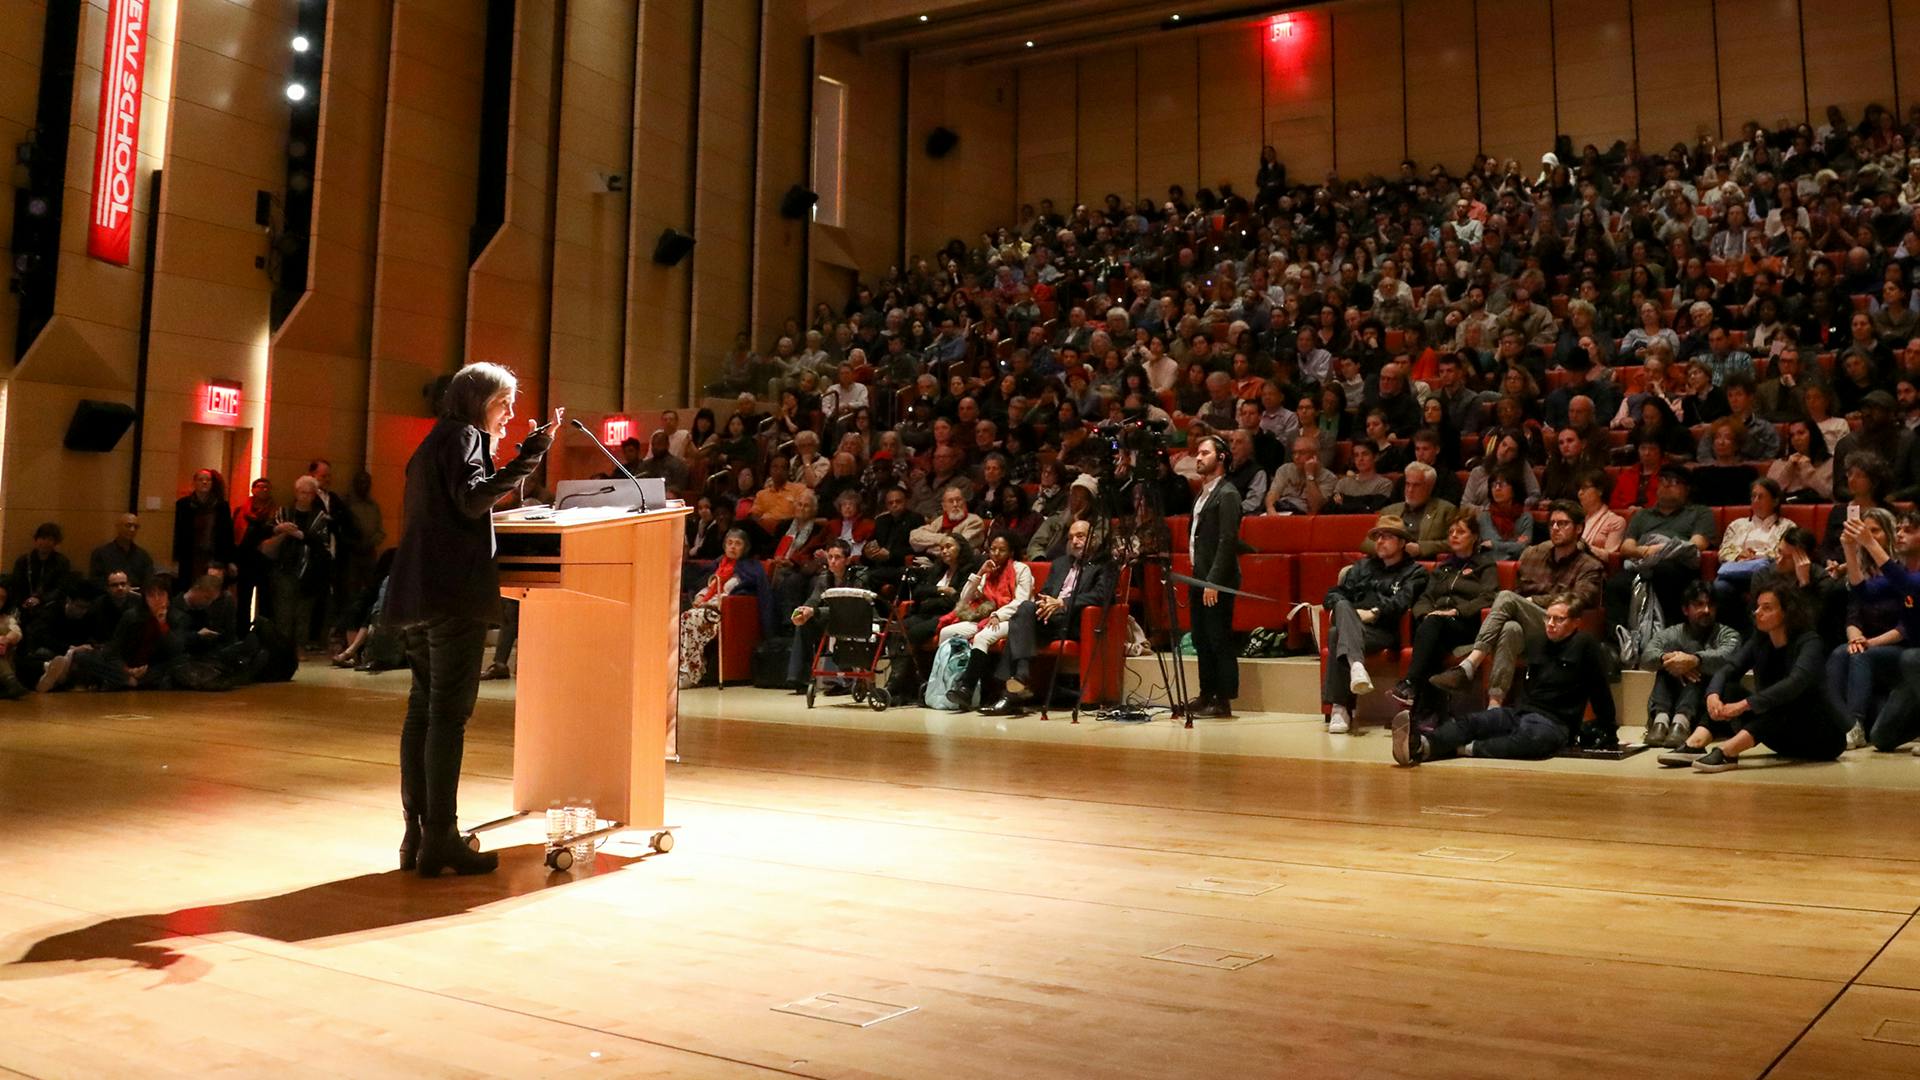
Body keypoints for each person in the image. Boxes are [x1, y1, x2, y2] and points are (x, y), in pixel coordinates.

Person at [382, 362, 554, 878]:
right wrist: (529, 457)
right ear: (479, 402)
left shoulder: (432, 442)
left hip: (416, 592)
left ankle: (417, 836)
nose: (510, 414)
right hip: (451, 593)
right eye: (504, 403)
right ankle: (441, 838)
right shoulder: (466, 437)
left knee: (422, 712)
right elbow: (472, 499)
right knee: (447, 716)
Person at [1395, 593, 1614, 765]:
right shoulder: (1539, 641)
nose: (1550, 623)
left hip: (1554, 722)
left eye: (1559, 619)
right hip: (1521, 712)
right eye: (1548, 617)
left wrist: (1608, 729)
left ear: (1576, 623)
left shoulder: (1585, 645)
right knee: (1472, 721)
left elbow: (1600, 690)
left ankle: (1464, 749)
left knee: (1533, 740)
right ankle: (1421, 745)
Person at [1430, 501, 1606, 707]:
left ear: (1579, 528)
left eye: (1563, 524)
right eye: (1552, 523)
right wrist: (1524, 602)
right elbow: (1520, 591)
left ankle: (1470, 664)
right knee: (1509, 629)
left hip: (1562, 627)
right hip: (1529, 628)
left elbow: (1581, 598)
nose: (1556, 528)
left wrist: (1534, 601)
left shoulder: (1589, 565)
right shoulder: (1534, 556)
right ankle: (1495, 705)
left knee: (1505, 597)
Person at [1657, 581, 1847, 772]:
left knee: (1786, 699)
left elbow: (1795, 683)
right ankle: (1696, 744)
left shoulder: (1809, 642)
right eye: (1757, 607)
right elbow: (1728, 669)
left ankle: (1728, 752)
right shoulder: (1760, 640)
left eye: (1767, 608)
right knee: (1728, 689)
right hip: (1780, 735)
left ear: (1787, 612)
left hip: (1821, 738)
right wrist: (1713, 695)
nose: (1757, 612)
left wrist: (1743, 705)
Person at [982, 518, 1115, 716]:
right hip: (1047, 619)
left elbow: (1103, 595)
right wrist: (1044, 603)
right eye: (1071, 537)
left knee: (1020, 622)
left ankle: (1012, 690)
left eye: (1080, 536)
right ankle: (1018, 681)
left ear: (1093, 538)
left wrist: (1062, 603)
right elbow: (1045, 592)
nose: (1075, 541)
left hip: (1074, 620)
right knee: (1026, 608)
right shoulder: (1060, 563)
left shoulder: (1105, 565)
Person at [1321, 514, 1430, 735]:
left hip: (1384, 631)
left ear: (1402, 542)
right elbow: (1333, 594)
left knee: (1336, 634)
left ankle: (1340, 708)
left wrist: (1373, 613)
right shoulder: (1363, 566)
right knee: (1340, 608)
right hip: (1355, 627)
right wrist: (1348, 613)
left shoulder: (1415, 572)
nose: (1380, 541)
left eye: (1387, 537)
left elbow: (1402, 602)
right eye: (1378, 536)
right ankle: (1355, 669)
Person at [1390, 512, 1499, 718]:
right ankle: (1431, 715)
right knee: (1434, 644)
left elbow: (1489, 597)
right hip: (1437, 625)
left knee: (1432, 630)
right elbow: (1425, 598)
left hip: (1466, 623)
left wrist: (1456, 611)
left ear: (1474, 536)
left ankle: (1411, 684)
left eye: (1460, 532)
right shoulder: (1444, 567)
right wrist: (1426, 615)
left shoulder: (1485, 565)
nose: (1454, 536)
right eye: (1451, 532)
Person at [1827, 509, 1912, 749]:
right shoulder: (1864, 570)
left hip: (1901, 648)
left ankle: (1856, 725)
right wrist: (1856, 638)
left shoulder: (1904, 569)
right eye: (1866, 530)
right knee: (1840, 653)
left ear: (1889, 534)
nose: (1868, 535)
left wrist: (1870, 643)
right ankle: (1838, 722)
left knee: (1860, 655)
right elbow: (1855, 610)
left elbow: (1906, 627)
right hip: (1868, 645)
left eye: (1875, 531)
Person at [1605, 466, 1716, 631]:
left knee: (1664, 571)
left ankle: (1667, 634)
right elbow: (1626, 547)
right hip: (1644, 562)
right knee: (1615, 584)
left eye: (1674, 482)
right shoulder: (1642, 515)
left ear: (1687, 489)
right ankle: (1619, 639)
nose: (1666, 485)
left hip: (1678, 563)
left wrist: (1661, 549)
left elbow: (1697, 544)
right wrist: (1645, 551)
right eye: (1663, 480)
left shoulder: (1700, 512)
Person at [936, 533, 1034, 709]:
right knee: (946, 632)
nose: (995, 553)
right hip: (984, 616)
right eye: (993, 549)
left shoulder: (1021, 569)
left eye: (1001, 550)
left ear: (1011, 552)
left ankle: (967, 688)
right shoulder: (988, 570)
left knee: (982, 637)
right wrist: (980, 572)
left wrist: (997, 615)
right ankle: (942, 685)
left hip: (1012, 619)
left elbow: (1021, 601)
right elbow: (964, 598)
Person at [1639, 582, 1742, 749]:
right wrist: (1668, 659)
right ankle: (1660, 721)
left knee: (1701, 665)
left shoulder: (1728, 633)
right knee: (1667, 664)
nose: (1706, 610)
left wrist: (1695, 660)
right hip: (1672, 700)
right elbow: (1646, 657)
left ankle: (1681, 722)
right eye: (1699, 604)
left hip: (1706, 710)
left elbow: (1729, 656)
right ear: (1685, 610)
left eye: (1710, 605)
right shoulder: (1672, 633)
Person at [1186, 434, 1241, 719]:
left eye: (1205, 453)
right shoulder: (1202, 493)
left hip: (1216, 579)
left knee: (1219, 638)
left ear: (1221, 457)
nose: (1198, 457)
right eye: (1197, 453)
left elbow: (1227, 540)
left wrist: (1213, 581)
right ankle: (1206, 693)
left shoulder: (1228, 494)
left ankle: (1223, 699)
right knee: (1201, 638)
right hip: (1199, 576)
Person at [678, 528, 767, 690]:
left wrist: (712, 603)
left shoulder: (749, 568)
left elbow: (740, 593)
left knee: (689, 618)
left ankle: (691, 673)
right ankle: (686, 669)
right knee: (683, 616)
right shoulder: (719, 565)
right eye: (730, 543)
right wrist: (701, 596)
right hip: (707, 606)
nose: (733, 547)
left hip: (725, 610)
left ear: (745, 547)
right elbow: (708, 586)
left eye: (738, 544)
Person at [261, 476, 333, 651]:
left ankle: (300, 647)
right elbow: (267, 531)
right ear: (296, 493)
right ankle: (282, 649)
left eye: (309, 493)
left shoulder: (320, 517)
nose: (305, 496)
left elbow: (322, 543)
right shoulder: (283, 512)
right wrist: (280, 529)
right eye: (302, 492)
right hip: (284, 567)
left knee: (303, 612)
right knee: (283, 612)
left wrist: (301, 535)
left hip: (309, 570)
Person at [1712, 478, 1790, 630]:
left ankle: (1756, 632)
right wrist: (1739, 555)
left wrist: (1758, 555)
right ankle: (1730, 633)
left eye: (1761, 497)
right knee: (1719, 587)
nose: (1755, 501)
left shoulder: (1786, 526)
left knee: (1761, 579)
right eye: (1753, 496)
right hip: (1736, 572)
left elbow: (1785, 553)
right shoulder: (1737, 525)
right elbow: (1723, 551)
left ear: (1775, 501)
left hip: (1768, 574)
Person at [785, 540, 858, 694]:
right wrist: (802, 611)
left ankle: (841, 680)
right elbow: (814, 600)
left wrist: (815, 611)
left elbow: (846, 609)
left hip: (854, 620)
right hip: (831, 619)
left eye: (837, 557)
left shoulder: (857, 578)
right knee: (804, 624)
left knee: (834, 624)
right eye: (830, 557)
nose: (832, 561)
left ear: (847, 560)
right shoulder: (824, 578)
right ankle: (800, 677)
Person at [1363, 462, 1456, 557]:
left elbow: (1455, 543)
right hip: (1389, 561)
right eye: (1407, 484)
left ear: (1429, 487)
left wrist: (1421, 548)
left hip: (1423, 562)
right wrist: (1394, 548)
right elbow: (1367, 544)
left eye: (1416, 485)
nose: (1410, 490)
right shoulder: (1389, 511)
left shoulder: (1446, 510)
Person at [904, 534, 975, 648]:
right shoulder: (938, 569)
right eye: (942, 548)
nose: (944, 551)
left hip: (947, 615)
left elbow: (957, 600)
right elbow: (918, 591)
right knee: (899, 627)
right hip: (926, 613)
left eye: (948, 547)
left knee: (914, 632)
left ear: (960, 548)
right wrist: (940, 590)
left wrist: (929, 601)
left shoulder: (968, 571)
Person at [171, 470, 235, 585]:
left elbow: (227, 535)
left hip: (214, 556)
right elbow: (178, 533)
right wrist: (176, 559)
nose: (204, 482)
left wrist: (230, 560)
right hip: (190, 556)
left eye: (208, 480)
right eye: (201, 479)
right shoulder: (183, 505)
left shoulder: (221, 506)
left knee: (212, 587)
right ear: (194, 483)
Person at [10, 522, 72, 622]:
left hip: (50, 606)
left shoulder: (62, 562)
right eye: (42, 538)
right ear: (36, 539)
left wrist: (40, 599)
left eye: (50, 539)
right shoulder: (23, 561)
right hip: (24, 605)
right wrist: (24, 601)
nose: (45, 543)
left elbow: (61, 588)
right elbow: (16, 585)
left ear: (55, 543)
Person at [1475, 473, 1534, 559]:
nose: (1497, 488)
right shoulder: (1483, 518)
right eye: (1493, 485)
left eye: (1502, 484)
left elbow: (1524, 548)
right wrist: (1514, 544)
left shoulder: (1525, 518)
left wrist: (1493, 544)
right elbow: (1479, 547)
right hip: (1488, 563)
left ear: (1514, 489)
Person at [90, 513, 155, 588]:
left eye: (136, 527)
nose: (132, 529)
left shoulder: (143, 556)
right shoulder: (100, 554)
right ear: (118, 527)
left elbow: (148, 582)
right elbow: (95, 582)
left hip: (137, 594)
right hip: (109, 594)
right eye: (128, 525)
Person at [1575, 471, 1626, 558]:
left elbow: (1610, 556)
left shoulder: (1616, 521)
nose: (1580, 493)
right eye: (1579, 489)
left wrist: (1582, 547)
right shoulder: (1576, 519)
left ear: (1600, 491)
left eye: (1585, 488)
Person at [0, 581, 27, 699]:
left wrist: (5, 640)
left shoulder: (7, 619)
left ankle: (10, 682)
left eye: (2, 598)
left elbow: (17, 633)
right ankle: (11, 682)